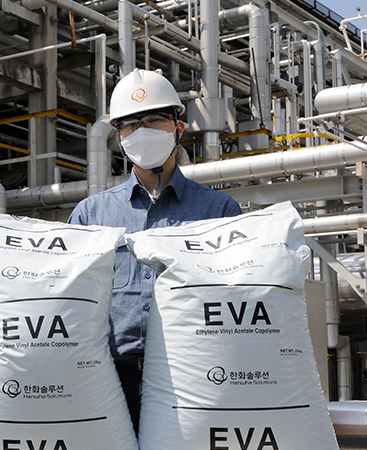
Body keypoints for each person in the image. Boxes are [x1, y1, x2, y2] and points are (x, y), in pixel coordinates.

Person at [67, 68, 241, 431]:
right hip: (112, 379)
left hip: (193, 378)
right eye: (130, 125)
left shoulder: (219, 211)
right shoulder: (91, 214)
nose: (141, 131)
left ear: (179, 128)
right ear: (119, 136)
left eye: (154, 120)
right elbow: (73, 302)